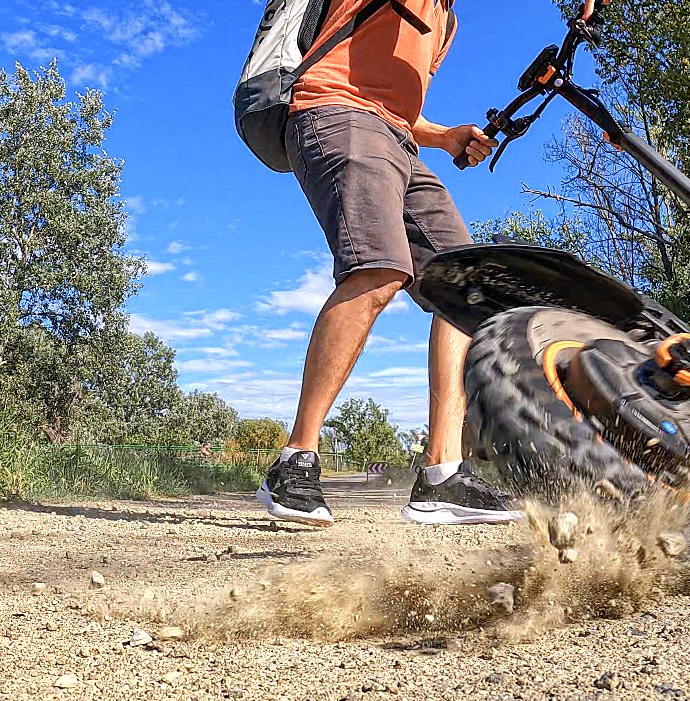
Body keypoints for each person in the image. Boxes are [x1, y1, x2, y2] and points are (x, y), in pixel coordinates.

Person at [256, 0, 604, 527]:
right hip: (335, 113)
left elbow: (396, 104)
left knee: (466, 288)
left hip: (396, 136)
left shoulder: (447, 21)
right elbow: (353, 83)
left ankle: (443, 474)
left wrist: (443, 137)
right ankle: (294, 460)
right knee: (379, 268)